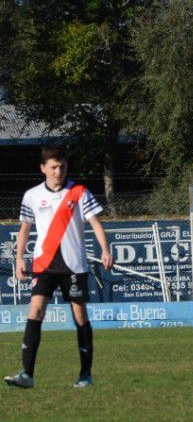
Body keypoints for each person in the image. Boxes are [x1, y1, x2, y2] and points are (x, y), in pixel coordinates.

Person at [5, 145, 113, 389]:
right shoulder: (32, 196)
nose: (58, 171)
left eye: (62, 166)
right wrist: (20, 257)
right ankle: (27, 374)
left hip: (73, 265)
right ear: (43, 168)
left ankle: (85, 374)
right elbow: (25, 228)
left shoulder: (79, 192)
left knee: (79, 315)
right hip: (44, 264)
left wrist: (105, 249)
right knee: (35, 312)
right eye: (53, 167)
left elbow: (95, 222)